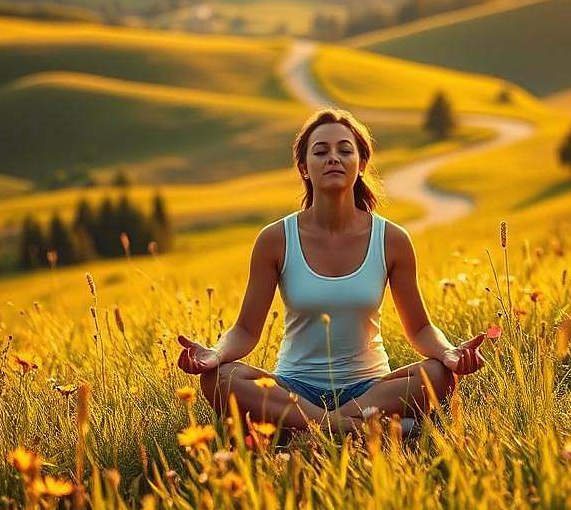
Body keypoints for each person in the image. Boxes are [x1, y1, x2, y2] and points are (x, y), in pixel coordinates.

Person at [176, 108, 487, 435]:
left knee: (438, 376)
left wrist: (449, 353)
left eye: (345, 150)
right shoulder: (275, 239)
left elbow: (420, 328)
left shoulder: (392, 239)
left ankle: (301, 430)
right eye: (321, 152)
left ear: (362, 164)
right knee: (218, 380)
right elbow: (245, 331)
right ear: (304, 168)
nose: (333, 158)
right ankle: (356, 430)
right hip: (294, 388)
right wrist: (216, 354)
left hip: (369, 390)